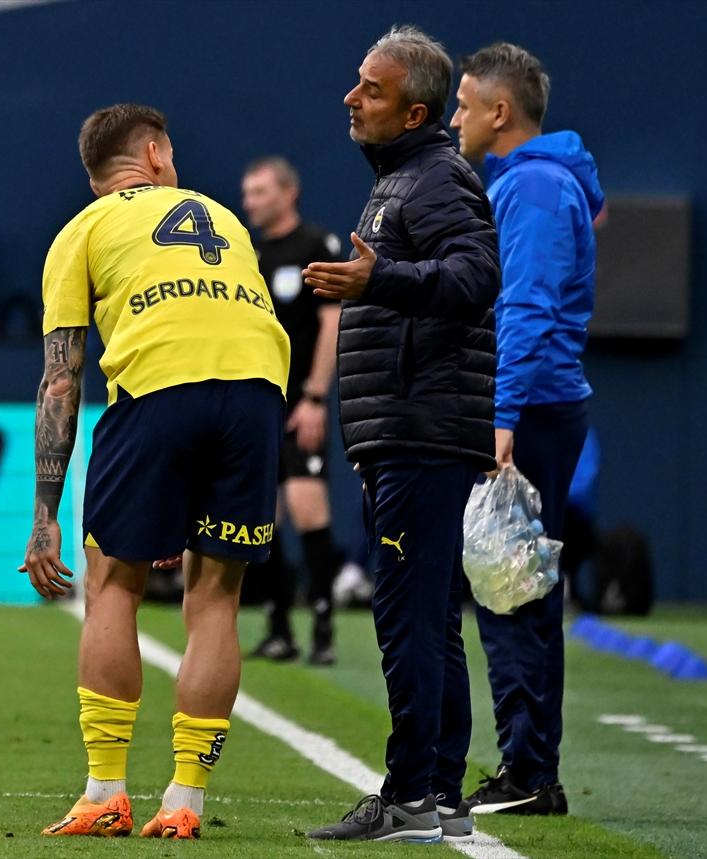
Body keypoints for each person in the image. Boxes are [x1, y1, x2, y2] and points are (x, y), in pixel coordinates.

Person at [17, 104, 290, 841]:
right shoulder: (224, 217)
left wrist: (45, 516)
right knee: (216, 600)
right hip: (258, 393)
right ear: (156, 154)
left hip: (159, 389)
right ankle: (185, 800)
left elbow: (61, 380)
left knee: (113, 584)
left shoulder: (82, 231)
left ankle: (106, 792)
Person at [303, 26, 499, 843]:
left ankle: (410, 794)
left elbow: (477, 276)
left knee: (408, 616)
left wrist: (378, 276)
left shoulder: (437, 178)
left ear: (414, 111)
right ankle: (441, 792)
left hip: (424, 427)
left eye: (372, 89)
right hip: (407, 428)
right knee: (428, 616)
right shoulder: (403, 179)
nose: (351, 98)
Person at [450, 42, 603, 816]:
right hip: (537, 404)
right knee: (521, 591)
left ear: (500, 111)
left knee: (510, 591)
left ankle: (529, 772)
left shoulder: (535, 186)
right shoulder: (536, 179)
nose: (456, 119)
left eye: (465, 105)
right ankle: (531, 766)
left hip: (529, 409)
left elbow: (527, 306)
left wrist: (500, 413)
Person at [240, 155, 345, 666]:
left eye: (260, 191)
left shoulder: (315, 246)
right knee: (265, 516)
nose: (250, 202)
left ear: (288, 192)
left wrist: (316, 396)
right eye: (248, 193)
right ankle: (278, 626)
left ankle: (323, 628)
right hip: (260, 406)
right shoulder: (248, 255)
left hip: (301, 403)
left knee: (307, 507)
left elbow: (331, 323)